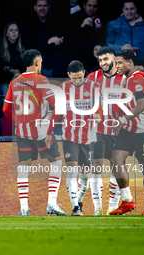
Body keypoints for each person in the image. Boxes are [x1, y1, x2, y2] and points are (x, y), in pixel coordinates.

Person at [3, 49, 66, 216]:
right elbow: (57, 107)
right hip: (41, 130)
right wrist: (50, 131)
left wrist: (18, 121)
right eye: (41, 62)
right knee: (56, 163)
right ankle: (51, 203)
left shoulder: (14, 82)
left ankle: (24, 208)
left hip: (22, 131)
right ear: (37, 62)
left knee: (23, 167)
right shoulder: (42, 80)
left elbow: (5, 109)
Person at [109, 49, 144, 215]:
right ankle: (127, 201)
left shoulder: (133, 80)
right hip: (130, 129)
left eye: (120, 63)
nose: (117, 66)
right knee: (116, 159)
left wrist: (122, 120)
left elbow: (142, 105)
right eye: (116, 63)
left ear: (130, 62)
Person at [50, 60, 102, 216]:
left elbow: (100, 108)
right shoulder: (63, 88)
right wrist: (49, 131)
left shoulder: (94, 87)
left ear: (84, 73)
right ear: (68, 75)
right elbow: (57, 112)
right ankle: (75, 207)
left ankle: (79, 200)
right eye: (74, 78)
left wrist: (99, 115)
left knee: (85, 175)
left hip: (89, 136)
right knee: (72, 167)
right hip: (69, 135)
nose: (77, 81)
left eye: (79, 77)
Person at [87, 46, 127, 215]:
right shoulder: (92, 77)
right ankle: (97, 207)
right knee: (96, 165)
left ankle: (112, 206)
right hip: (97, 130)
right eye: (100, 60)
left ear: (113, 59)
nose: (103, 63)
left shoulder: (124, 79)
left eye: (106, 59)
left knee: (116, 166)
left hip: (118, 131)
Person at [106, 1, 144, 74]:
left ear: (136, 9)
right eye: (126, 9)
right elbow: (107, 47)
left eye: (132, 8)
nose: (129, 11)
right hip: (120, 68)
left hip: (140, 68)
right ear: (123, 10)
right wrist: (120, 48)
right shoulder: (113, 24)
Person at [22, 0, 65, 78]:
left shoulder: (55, 22)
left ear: (48, 8)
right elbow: (28, 43)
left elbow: (62, 37)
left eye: (45, 6)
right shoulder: (29, 24)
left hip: (55, 68)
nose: (42, 8)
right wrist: (47, 41)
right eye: (39, 6)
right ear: (35, 8)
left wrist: (60, 41)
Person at [0, 22, 26, 95]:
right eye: (11, 30)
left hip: (20, 82)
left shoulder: (22, 48)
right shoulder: (0, 49)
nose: (14, 32)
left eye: (16, 30)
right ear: (6, 33)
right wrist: (9, 69)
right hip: (6, 83)